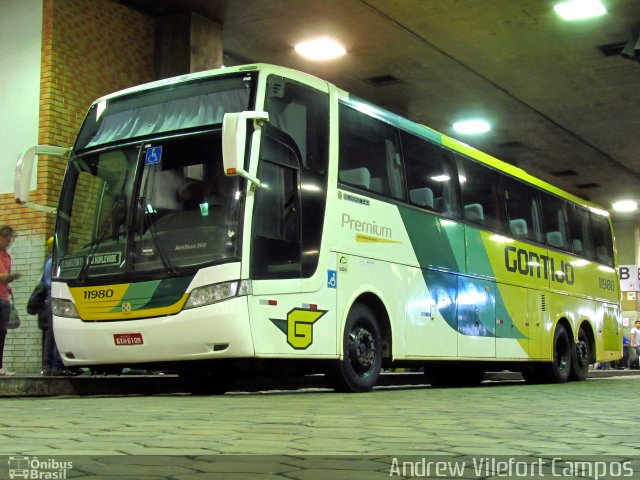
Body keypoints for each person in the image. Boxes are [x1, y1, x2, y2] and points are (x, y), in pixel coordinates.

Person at [41, 236, 75, 376]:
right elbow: (51, 283)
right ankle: (56, 365)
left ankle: (48, 365)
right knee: (56, 334)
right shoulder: (53, 262)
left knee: (51, 334)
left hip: (50, 300)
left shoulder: (49, 261)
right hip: (54, 300)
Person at [0, 226, 21, 376]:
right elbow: (2, 276)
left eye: (11, 238)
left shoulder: (7, 256)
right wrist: (10, 277)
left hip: (4, 298)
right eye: (7, 237)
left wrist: (8, 286)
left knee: (2, 333)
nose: (9, 241)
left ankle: (0, 367)